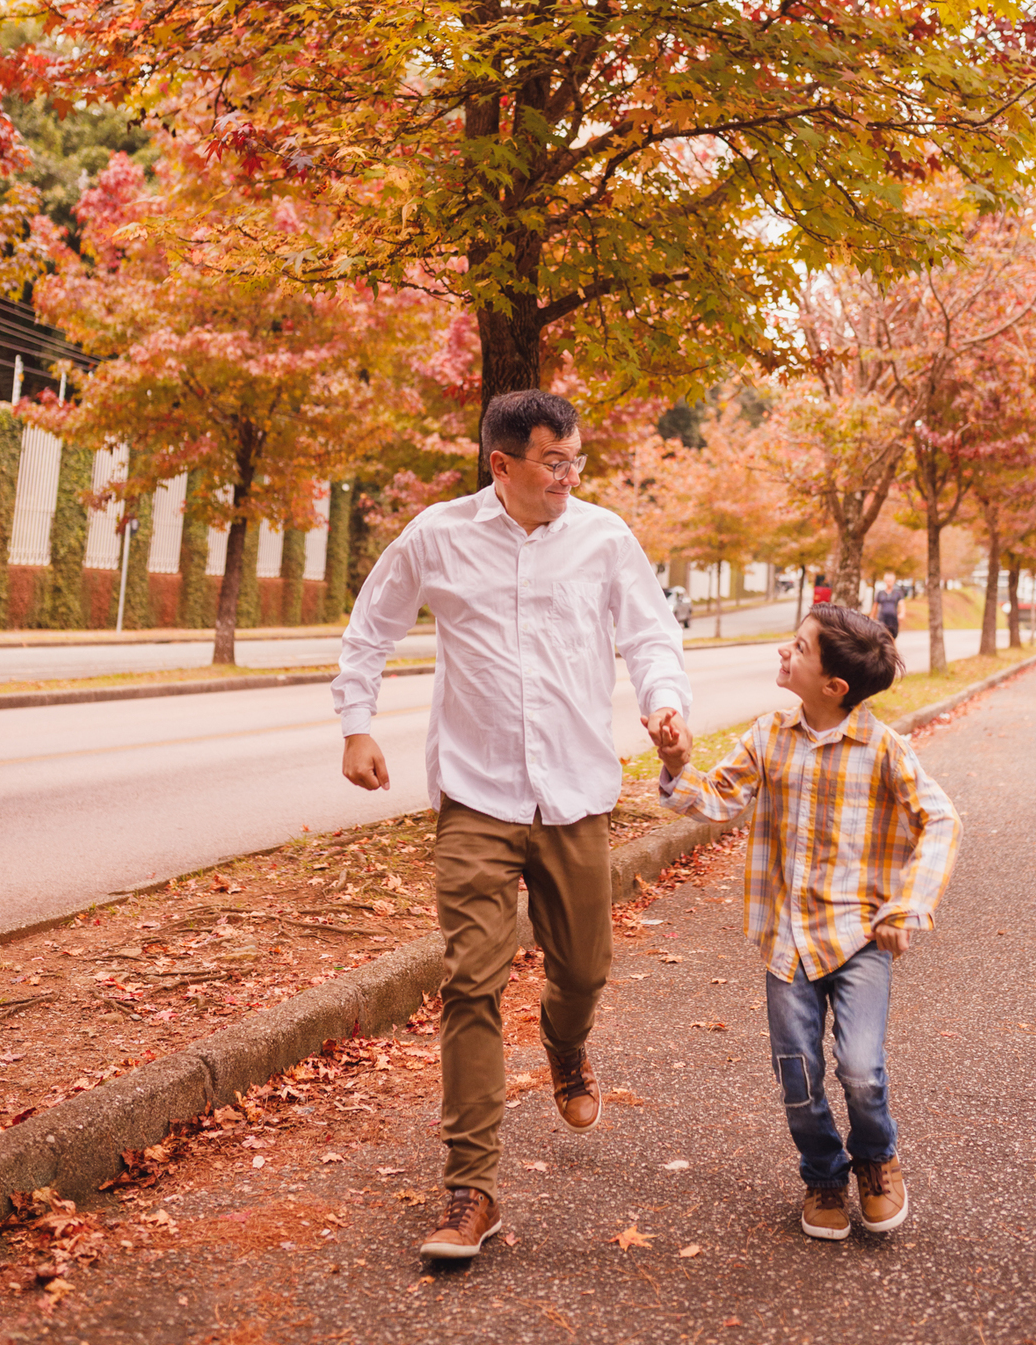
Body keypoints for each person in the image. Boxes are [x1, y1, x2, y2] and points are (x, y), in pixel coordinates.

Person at [333, 390, 692, 1261]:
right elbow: (369, 630)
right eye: (553, 462)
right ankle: (471, 1189)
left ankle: (566, 1049)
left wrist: (667, 705)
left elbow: (651, 637)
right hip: (476, 795)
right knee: (470, 984)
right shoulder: (437, 536)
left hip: (574, 795)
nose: (570, 477)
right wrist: (356, 723)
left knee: (584, 970)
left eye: (576, 461)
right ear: (502, 464)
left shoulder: (604, 538)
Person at [653, 605, 961, 1241]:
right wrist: (679, 765)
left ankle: (875, 1161)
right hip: (786, 941)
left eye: (797, 647)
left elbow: (943, 820)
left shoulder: (883, 748)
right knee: (797, 1073)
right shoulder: (768, 736)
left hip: (858, 940)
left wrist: (907, 905)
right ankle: (822, 1172)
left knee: (860, 1070)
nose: (782, 653)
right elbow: (718, 798)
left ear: (834, 687)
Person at [871, 571, 906, 638]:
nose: (889, 582)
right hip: (882, 619)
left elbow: (902, 604)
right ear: (885, 581)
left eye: (890, 580)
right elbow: (875, 605)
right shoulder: (880, 593)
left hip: (893, 620)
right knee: (882, 638)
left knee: (892, 638)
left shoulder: (898, 593)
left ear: (893, 581)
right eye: (887, 580)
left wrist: (902, 613)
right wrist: (872, 616)